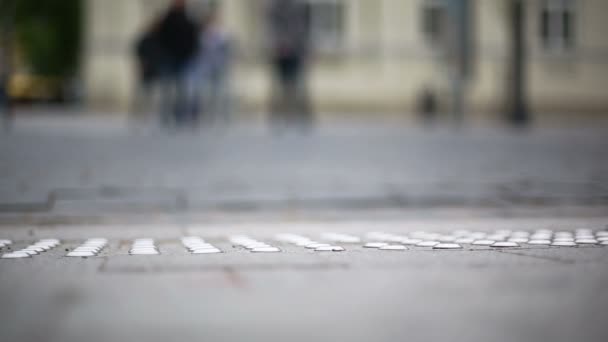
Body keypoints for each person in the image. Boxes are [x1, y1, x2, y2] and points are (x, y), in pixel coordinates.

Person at [267, 0, 313, 129]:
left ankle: (301, 117)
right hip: (280, 52)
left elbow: (305, 29)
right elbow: (272, 29)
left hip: (297, 51)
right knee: (280, 87)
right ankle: (279, 117)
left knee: (299, 86)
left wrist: (306, 50)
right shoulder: (275, 6)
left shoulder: (302, 6)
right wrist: (278, 45)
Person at [185, 4, 232, 127]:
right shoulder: (202, 34)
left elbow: (227, 49)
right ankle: (201, 114)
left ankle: (220, 115)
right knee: (202, 91)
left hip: (218, 66)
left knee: (219, 92)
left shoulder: (222, 34)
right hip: (205, 66)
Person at [155, 0, 199, 128]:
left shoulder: (188, 19)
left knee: (182, 89)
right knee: (168, 88)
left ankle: (180, 114)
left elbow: (193, 39)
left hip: (184, 59)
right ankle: (166, 114)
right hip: (169, 58)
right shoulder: (167, 20)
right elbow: (160, 39)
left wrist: (191, 54)